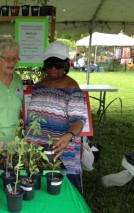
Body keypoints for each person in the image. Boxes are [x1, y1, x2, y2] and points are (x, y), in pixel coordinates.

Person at [24, 41, 87, 191]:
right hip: (37, 148)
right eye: (49, 63)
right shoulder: (39, 86)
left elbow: (79, 120)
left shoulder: (72, 88)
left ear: (66, 64)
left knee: (63, 191)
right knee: (38, 190)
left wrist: (69, 135)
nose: (53, 68)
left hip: (61, 150)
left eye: (58, 64)